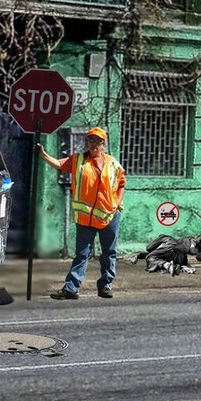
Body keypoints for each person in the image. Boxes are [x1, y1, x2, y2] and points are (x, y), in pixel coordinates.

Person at [39, 126, 125, 300]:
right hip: (86, 218)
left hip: (109, 215)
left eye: (98, 141)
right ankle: (71, 289)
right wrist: (43, 155)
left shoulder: (112, 163)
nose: (94, 144)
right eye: (91, 140)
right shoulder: (78, 160)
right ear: (87, 142)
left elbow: (122, 182)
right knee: (82, 254)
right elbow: (59, 164)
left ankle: (106, 286)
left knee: (109, 252)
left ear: (104, 145)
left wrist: (117, 203)